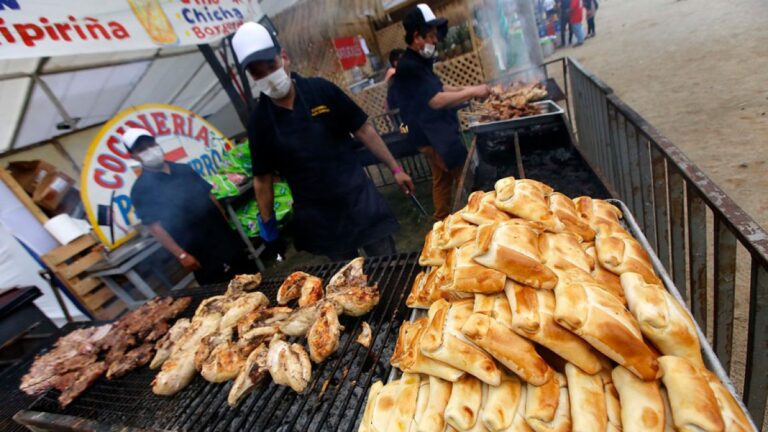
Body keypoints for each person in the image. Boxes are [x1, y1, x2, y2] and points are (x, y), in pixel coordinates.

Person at [231, 22, 415, 261]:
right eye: (258, 73)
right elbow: (262, 179)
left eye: (270, 66)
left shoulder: (320, 90)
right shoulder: (260, 122)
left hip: (358, 200)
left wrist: (396, 168)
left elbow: (363, 129)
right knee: (348, 287)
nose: (268, 76)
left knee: (389, 266)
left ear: (284, 58)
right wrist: (268, 228)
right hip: (321, 218)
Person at [388, 4, 490, 221]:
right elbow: (435, 101)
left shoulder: (419, 61)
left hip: (432, 132)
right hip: (431, 135)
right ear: (417, 36)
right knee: (465, 176)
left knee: (441, 179)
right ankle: (475, 219)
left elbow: (439, 88)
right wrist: (472, 91)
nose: (435, 41)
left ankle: (441, 221)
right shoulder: (409, 66)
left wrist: (467, 90)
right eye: (431, 36)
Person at [125, 128, 254, 284]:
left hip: (221, 234)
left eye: (150, 145)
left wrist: (227, 223)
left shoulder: (183, 169)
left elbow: (210, 196)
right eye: (142, 149)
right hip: (196, 248)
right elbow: (155, 227)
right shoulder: (141, 189)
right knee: (221, 289)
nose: (150, 151)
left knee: (249, 273)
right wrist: (181, 255)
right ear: (134, 156)